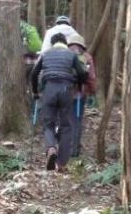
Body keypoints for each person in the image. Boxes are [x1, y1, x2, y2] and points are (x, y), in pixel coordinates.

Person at [30, 32, 89, 171]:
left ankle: (51, 148)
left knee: (48, 124)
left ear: (53, 43)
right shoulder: (71, 55)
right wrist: (79, 87)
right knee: (66, 126)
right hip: (65, 90)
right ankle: (61, 163)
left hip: (49, 88)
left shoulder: (45, 54)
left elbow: (34, 73)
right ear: (65, 43)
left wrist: (35, 91)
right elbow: (81, 74)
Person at [67, 33, 97, 157]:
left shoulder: (65, 55)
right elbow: (91, 77)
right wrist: (92, 92)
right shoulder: (87, 57)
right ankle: (75, 150)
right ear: (82, 45)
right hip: (80, 94)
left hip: (65, 93)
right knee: (77, 121)